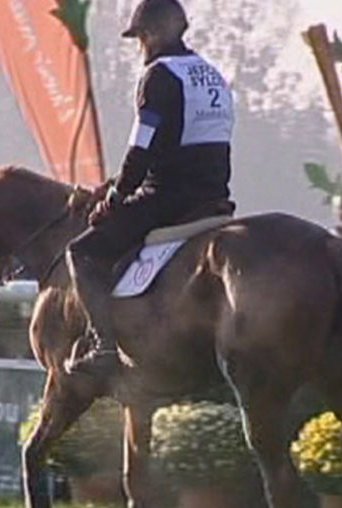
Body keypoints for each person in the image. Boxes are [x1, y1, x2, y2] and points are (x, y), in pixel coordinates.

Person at [64, 0, 235, 377]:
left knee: (82, 252)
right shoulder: (212, 73)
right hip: (214, 196)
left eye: (140, 38)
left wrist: (115, 197)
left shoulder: (159, 75)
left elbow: (142, 149)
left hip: (167, 198)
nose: (140, 47)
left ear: (153, 35)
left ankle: (104, 347)